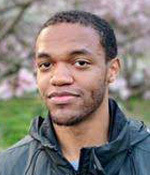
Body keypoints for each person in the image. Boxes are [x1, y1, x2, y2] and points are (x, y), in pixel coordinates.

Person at [0, 10, 150, 175]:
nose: (59, 78)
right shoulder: (9, 167)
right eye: (46, 65)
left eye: (80, 63)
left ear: (112, 71)